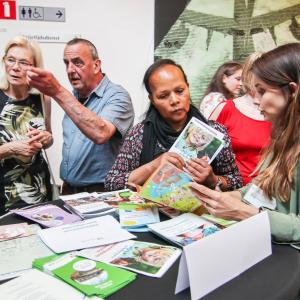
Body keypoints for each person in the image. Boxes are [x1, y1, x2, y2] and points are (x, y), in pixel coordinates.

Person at [190, 43, 300, 247]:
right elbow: (263, 187)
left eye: (262, 91)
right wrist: (230, 197)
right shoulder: (282, 138)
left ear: (292, 91)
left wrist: (244, 211)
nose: (256, 101)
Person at [105, 59, 242, 192]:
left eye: (180, 91)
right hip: (153, 213)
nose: (175, 100)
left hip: (200, 213)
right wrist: (154, 165)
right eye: (163, 96)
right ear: (152, 99)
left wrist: (213, 180)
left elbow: (236, 181)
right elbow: (112, 182)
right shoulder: (139, 134)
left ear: (188, 87)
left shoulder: (215, 132)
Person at [27, 38, 134, 194]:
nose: (70, 70)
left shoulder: (118, 96)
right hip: (68, 190)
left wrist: (57, 91)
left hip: (101, 192)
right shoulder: (74, 97)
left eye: (78, 63)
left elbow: (101, 133)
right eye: (66, 63)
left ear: (96, 65)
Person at [0, 36, 52, 214]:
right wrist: (10, 148)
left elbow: (49, 138)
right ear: (4, 61)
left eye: (23, 62)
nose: (15, 67)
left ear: (34, 67)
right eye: (11, 60)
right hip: (4, 193)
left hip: (37, 189)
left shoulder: (42, 97)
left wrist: (47, 138)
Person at [210, 53, 272, 185]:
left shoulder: (278, 113)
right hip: (231, 189)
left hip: (268, 191)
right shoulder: (226, 109)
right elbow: (203, 151)